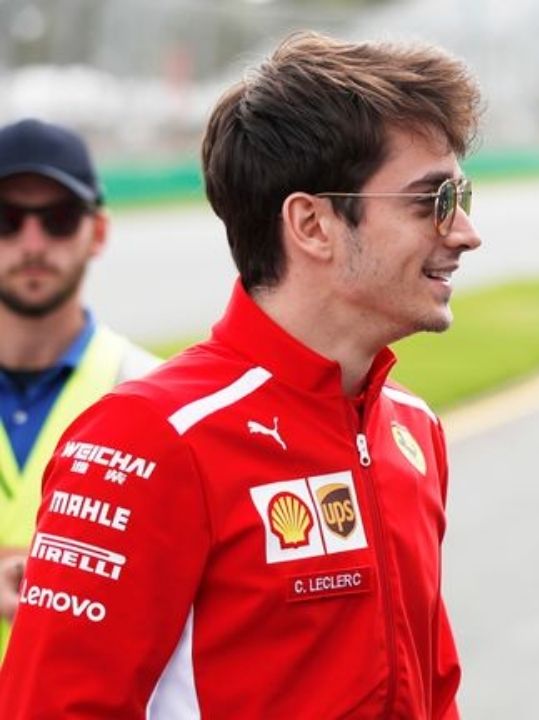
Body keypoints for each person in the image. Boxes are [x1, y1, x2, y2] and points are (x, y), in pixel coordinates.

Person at [0, 31, 482, 719]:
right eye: (430, 200)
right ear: (312, 225)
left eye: (461, 196)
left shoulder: (412, 429)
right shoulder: (152, 438)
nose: (463, 230)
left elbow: (435, 696)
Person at [0, 118, 158, 659]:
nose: (33, 243)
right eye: (7, 219)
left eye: (60, 219)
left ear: (98, 231)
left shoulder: (154, 394)